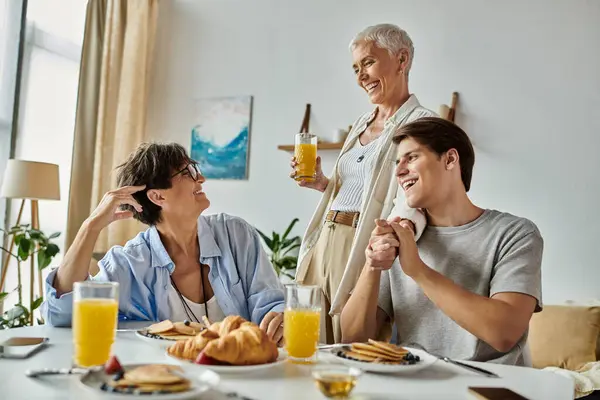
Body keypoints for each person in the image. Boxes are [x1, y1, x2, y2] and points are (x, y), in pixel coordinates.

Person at [341, 118, 543, 365]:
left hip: (490, 389)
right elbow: (352, 340)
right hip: (416, 384)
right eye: (397, 162)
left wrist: (417, 270)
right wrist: (372, 265)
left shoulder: (514, 233)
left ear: (450, 159)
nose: (399, 170)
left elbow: (503, 333)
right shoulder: (401, 236)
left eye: (411, 157)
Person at [42, 142, 286, 345]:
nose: (201, 178)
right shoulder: (129, 264)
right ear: (157, 196)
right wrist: (90, 227)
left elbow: (270, 303)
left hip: (242, 376)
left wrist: (280, 317)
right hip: (167, 383)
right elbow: (61, 314)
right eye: (188, 173)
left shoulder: (236, 235)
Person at [291, 23, 436, 343]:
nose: (361, 77)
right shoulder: (361, 123)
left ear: (402, 59)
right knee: (307, 342)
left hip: (363, 244)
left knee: (352, 347)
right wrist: (323, 184)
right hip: (324, 240)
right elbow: (361, 190)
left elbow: (415, 198)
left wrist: (397, 234)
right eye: (356, 68)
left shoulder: (423, 124)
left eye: (368, 63)